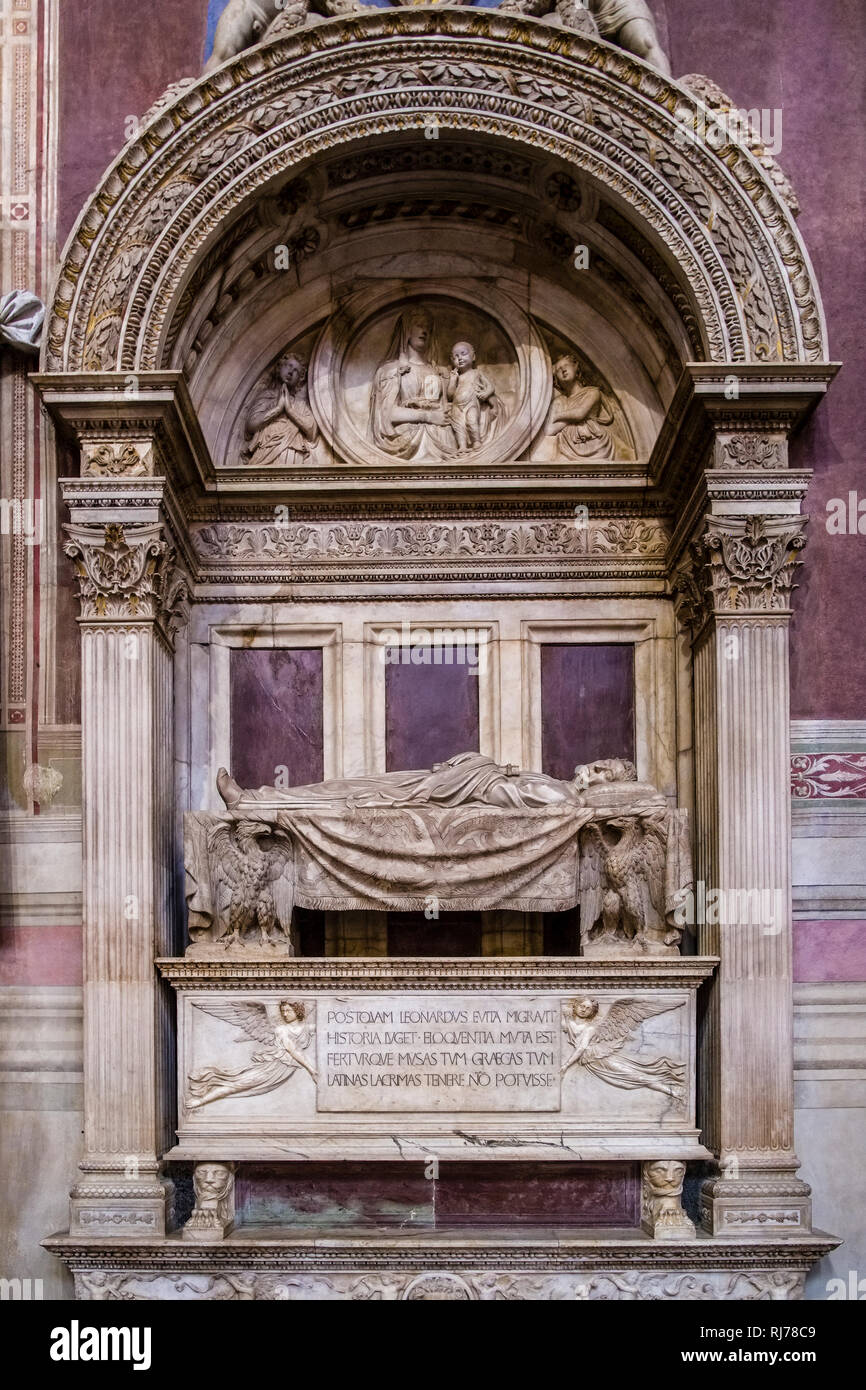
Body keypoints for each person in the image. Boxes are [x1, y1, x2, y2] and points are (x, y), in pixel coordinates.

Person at [368, 308, 457, 461]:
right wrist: (428, 416)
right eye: (419, 325)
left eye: (428, 327)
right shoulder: (392, 370)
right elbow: (387, 413)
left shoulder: (438, 372)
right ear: (407, 330)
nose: (424, 331)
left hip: (443, 439)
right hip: (407, 439)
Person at [243, 352, 318, 467]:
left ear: (300, 378)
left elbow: (312, 431)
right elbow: (251, 425)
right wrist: (277, 409)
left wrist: (289, 410)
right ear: (280, 367)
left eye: (296, 371)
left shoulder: (300, 405)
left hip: (291, 451)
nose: (291, 372)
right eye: (289, 366)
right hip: (266, 448)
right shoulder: (267, 396)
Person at [545, 352, 619, 461]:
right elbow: (549, 430)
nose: (563, 370)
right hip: (567, 444)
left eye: (566, 365)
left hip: (594, 441)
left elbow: (580, 413)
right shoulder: (559, 402)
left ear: (576, 368)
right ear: (556, 380)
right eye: (558, 370)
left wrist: (557, 416)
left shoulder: (593, 392)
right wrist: (571, 418)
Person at [446, 341, 501, 452]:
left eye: (463, 353)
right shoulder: (457, 377)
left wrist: (485, 394)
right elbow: (450, 396)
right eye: (456, 357)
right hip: (456, 406)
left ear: (473, 356)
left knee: (472, 421)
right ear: (452, 361)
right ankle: (462, 446)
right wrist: (452, 380)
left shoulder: (476, 373)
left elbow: (490, 386)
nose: (460, 358)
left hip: (471, 403)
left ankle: (476, 441)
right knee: (459, 426)